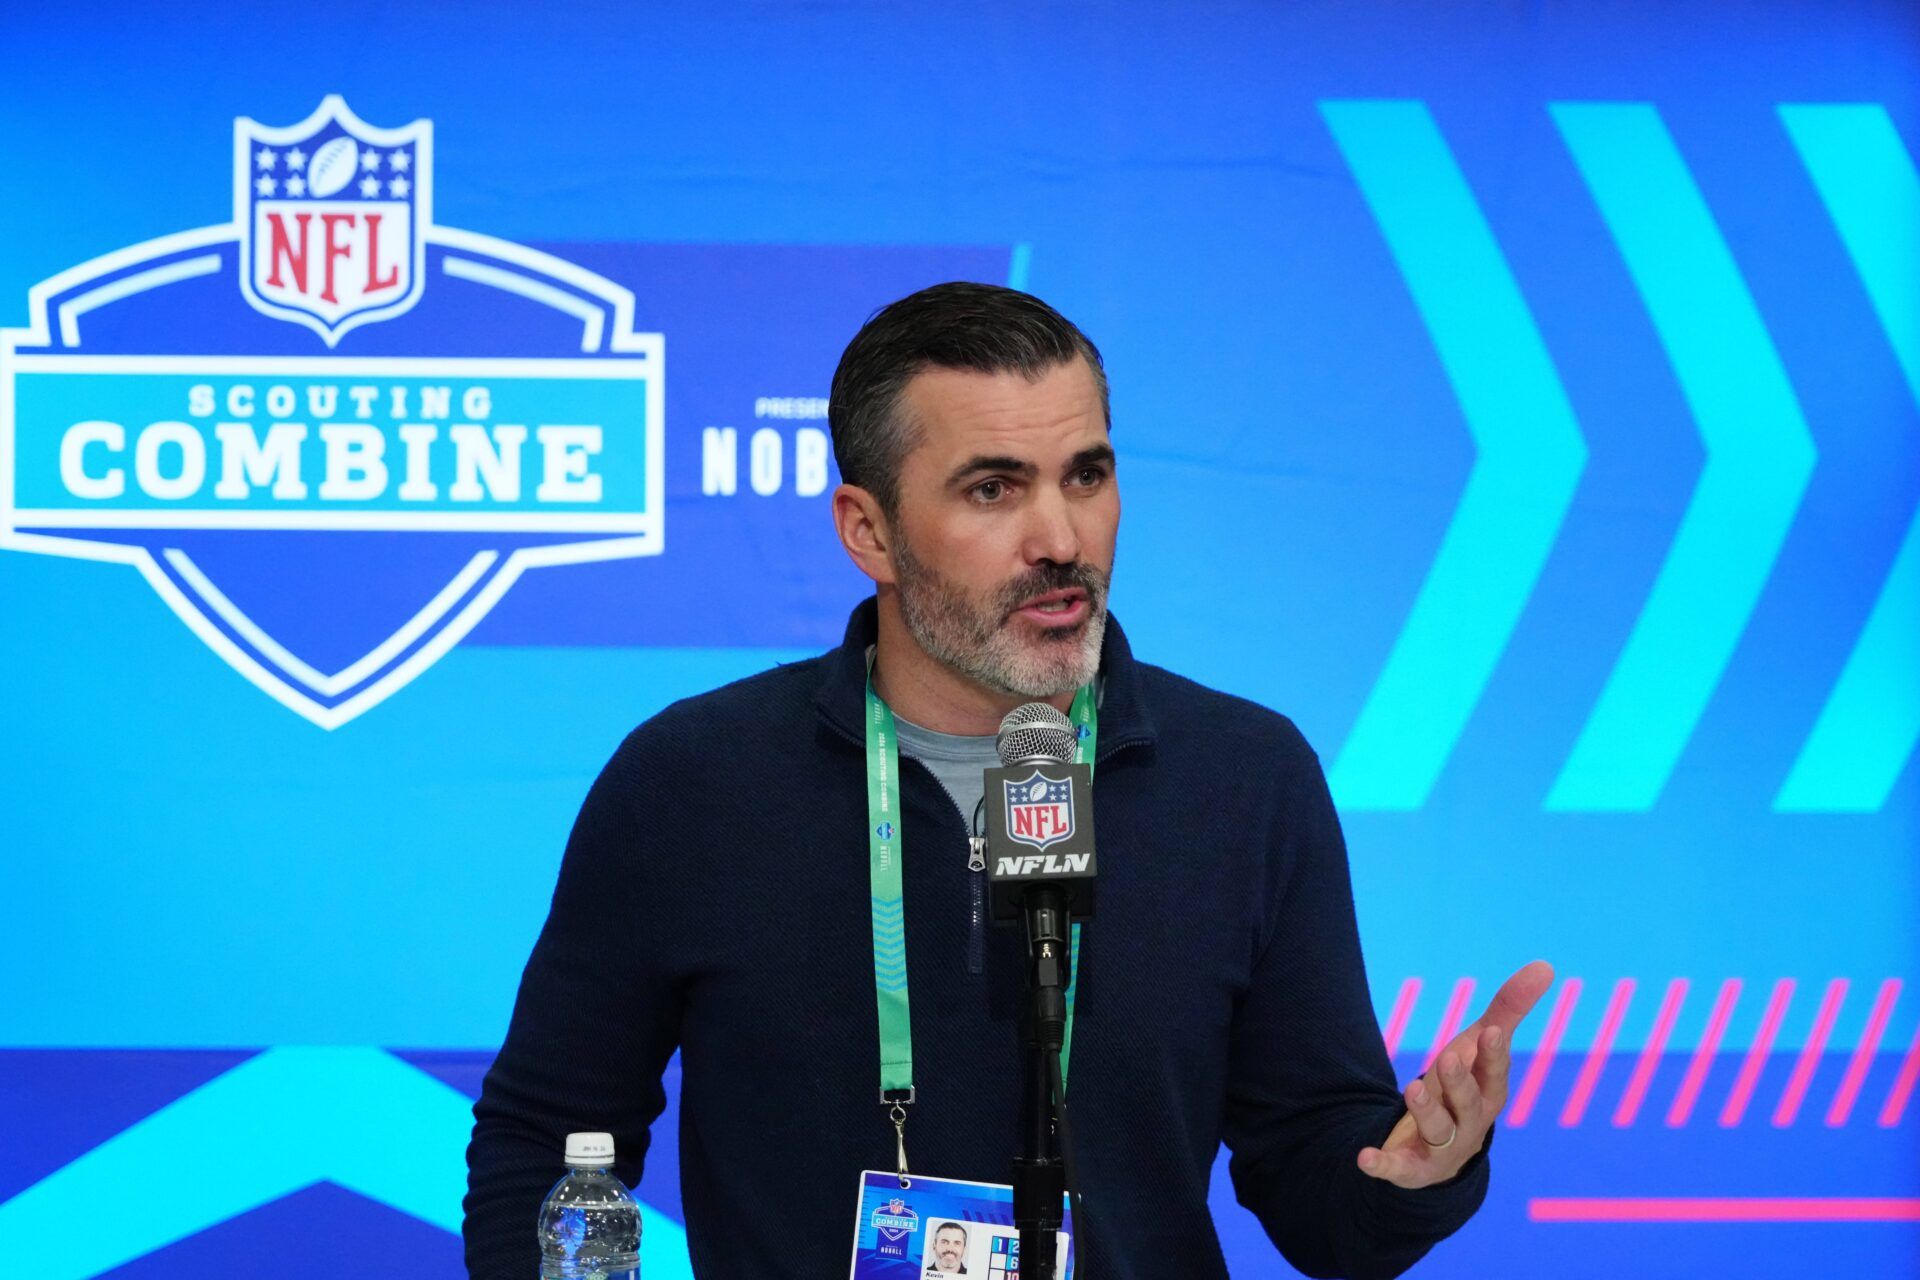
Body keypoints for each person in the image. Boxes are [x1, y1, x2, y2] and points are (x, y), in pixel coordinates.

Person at [463, 281, 1554, 1279]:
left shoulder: (1244, 777)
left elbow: (1322, 1193)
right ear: (869, 530)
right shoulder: (693, 782)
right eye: (994, 488)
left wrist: (1418, 1169)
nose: (1061, 536)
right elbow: (543, 1142)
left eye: (1088, 473)